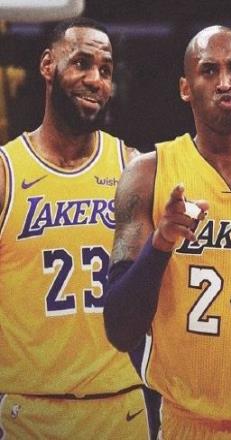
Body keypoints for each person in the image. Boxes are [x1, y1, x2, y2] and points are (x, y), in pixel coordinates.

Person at [104, 25, 231, 439]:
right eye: (208, 70)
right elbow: (119, 328)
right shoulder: (148, 174)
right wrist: (160, 244)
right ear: (185, 88)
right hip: (183, 420)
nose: (224, 81)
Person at [0, 18, 152, 439]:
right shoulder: (7, 173)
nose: (95, 80)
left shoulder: (132, 168)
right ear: (47, 65)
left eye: (105, 70)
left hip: (120, 408)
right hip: (27, 413)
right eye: (82, 63)